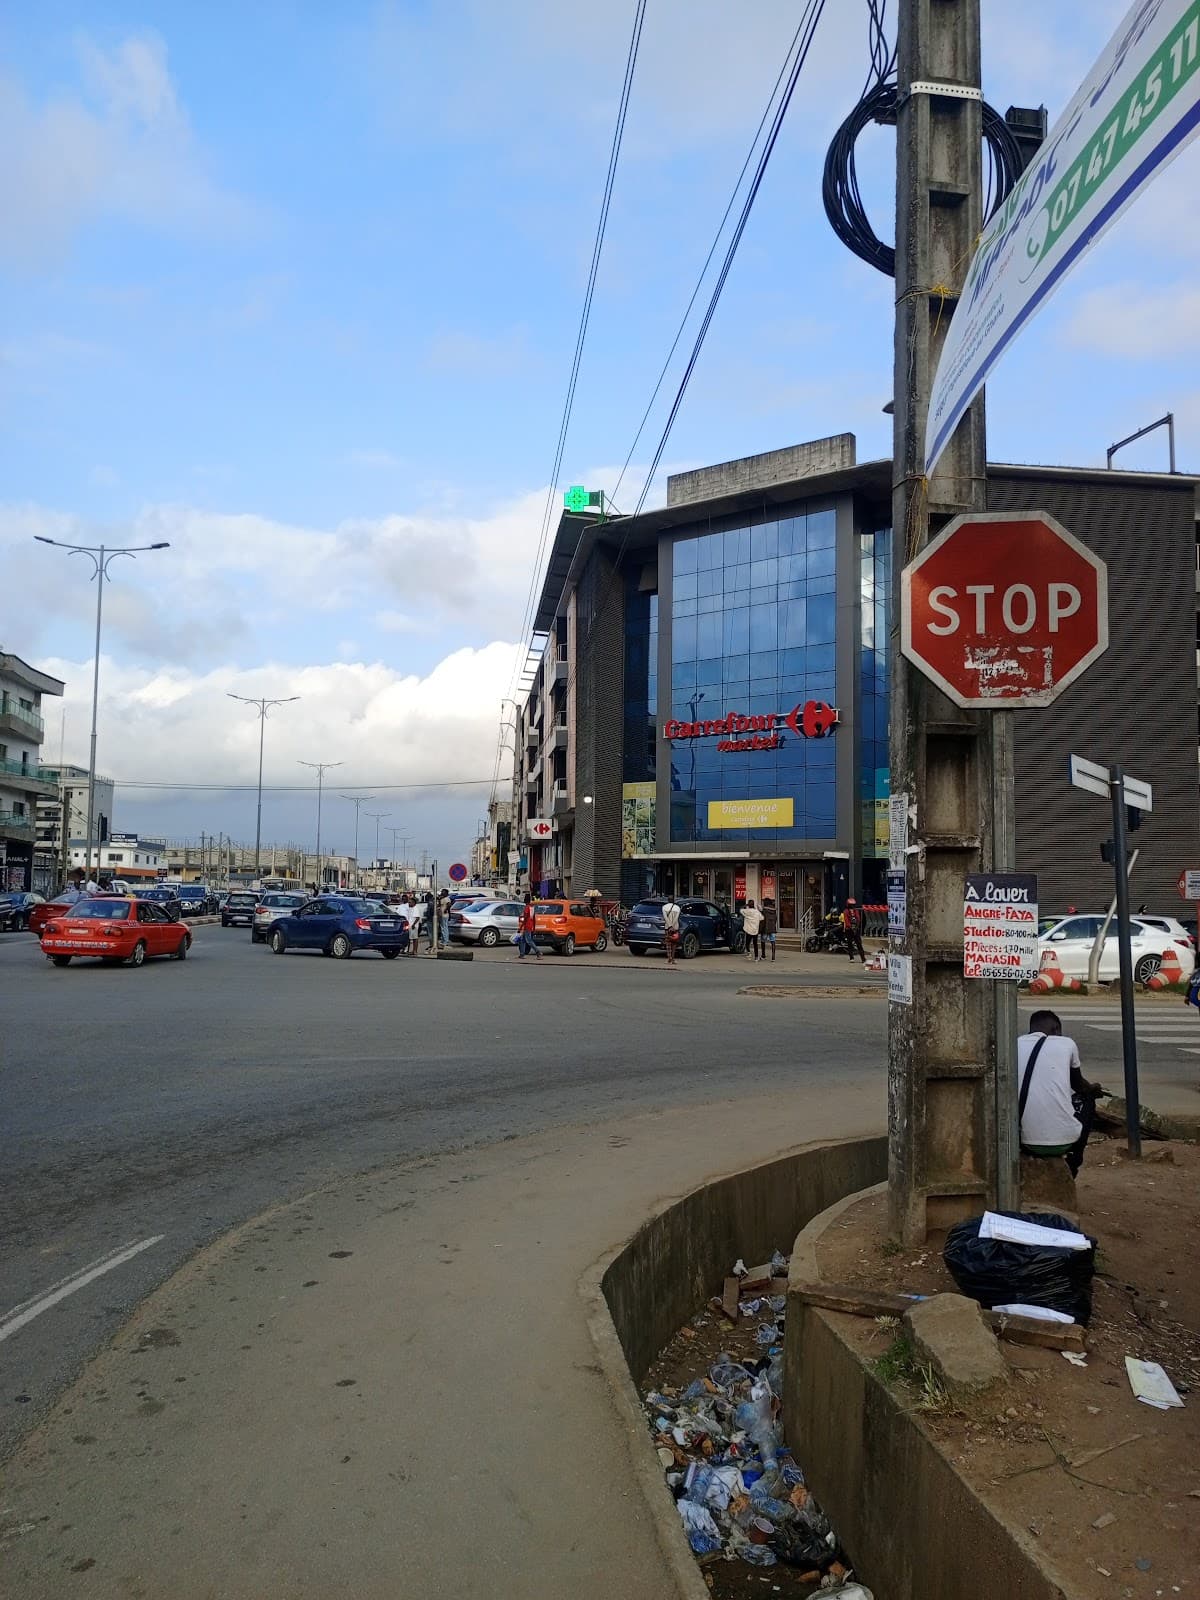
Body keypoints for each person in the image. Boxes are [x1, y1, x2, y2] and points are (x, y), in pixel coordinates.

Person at [1018, 1010, 1106, 1177]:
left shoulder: (1016, 1043)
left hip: (1021, 1140)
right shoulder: (1066, 1043)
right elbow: (1079, 1085)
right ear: (1056, 1028)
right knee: (1087, 1099)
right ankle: (1073, 1163)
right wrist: (1093, 1089)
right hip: (1062, 1142)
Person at [518, 894, 542, 960]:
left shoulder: (526, 908)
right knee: (522, 940)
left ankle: (538, 952)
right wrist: (533, 927)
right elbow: (534, 918)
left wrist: (520, 927)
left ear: (525, 900)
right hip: (530, 926)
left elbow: (525, 918)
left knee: (528, 941)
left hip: (526, 926)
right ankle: (522, 954)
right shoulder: (532, 908)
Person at [842, 897, 866, 964]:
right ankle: (851, 957)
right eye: (851, 905)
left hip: (856, 929)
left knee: (859, 944)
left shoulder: (856, 911)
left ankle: (863, 958)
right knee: (850, 944)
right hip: (849, 929)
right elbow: (846, 920)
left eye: (853, 905)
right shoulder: (845, 911)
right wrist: (850, 927)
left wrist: (856, 926)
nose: (852, 906)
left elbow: (858, 918)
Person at [662, 895, 682, 967]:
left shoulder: (664, 907)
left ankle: (669, 959)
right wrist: (673, 926)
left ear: (668, 900)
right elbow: (676, 918)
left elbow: (665, 917)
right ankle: (673, 959)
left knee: (668, 944)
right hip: (675, 927)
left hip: (667, 928)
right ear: (674, 900)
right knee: (674, 943)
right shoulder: (677, 908)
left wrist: (670, 926)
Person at [761, 898, 777, 962]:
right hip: (772, 928)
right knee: (773, 942)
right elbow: (775, 919)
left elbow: (762, 920)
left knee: (763, 941)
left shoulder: (764, 910)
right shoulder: (774, 910)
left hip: (765, 928)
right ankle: (773, 957)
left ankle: (763, 955)